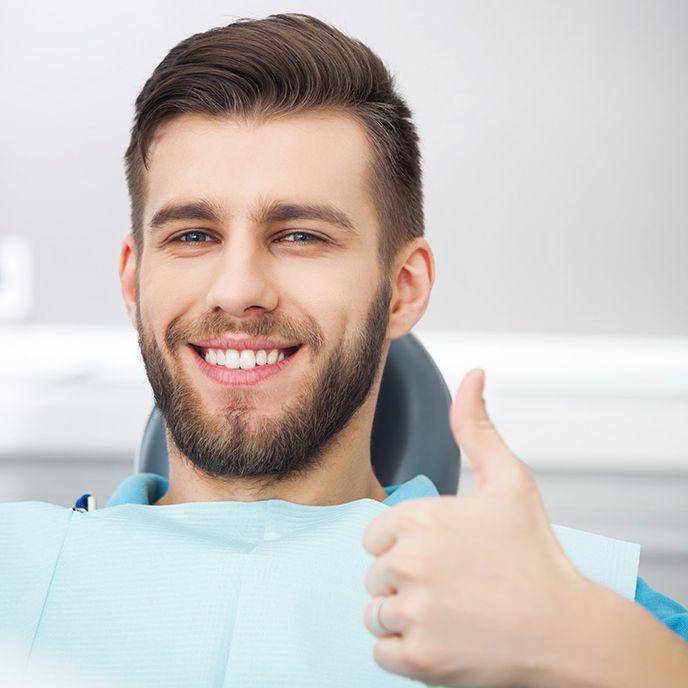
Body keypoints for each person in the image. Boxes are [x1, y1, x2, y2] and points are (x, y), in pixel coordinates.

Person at [0, 12, 685, 687]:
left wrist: (589, 643)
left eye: (300, 235)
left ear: (403, 288)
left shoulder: (583, 608)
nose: (238, 292)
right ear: (133, 279)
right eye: (193, 236)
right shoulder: (13, 569)